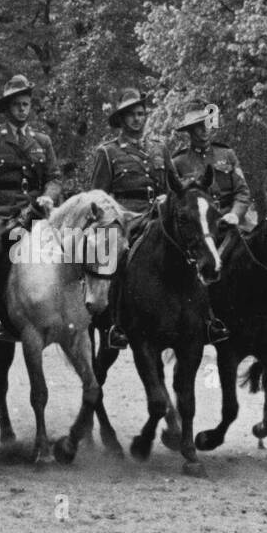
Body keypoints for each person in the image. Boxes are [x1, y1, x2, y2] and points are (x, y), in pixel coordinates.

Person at [0, 74, 62, 338]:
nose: (22, 109)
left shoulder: (42, 141)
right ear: (7, 108)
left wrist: (48, 195)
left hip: (37, 213)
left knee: (71, 249)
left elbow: (54, 177)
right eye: (17, 105)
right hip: (1, 214)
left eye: (26, 104)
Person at [89, 87, 175, 349]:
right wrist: (114, 214)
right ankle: (115, 322)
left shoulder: (160, 148)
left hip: (158, 214)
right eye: (132, 115)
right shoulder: (108, 152)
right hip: (124, 217)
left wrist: (168, 199)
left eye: (141, 114)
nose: (138, 119)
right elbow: (98, 196)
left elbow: (173, 186)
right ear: (122, 119)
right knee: (116, 255)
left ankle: (202, 318)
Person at [171, 99, 252, 344]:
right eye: (197, 128)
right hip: (199, 226)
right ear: (189, 133)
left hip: (227, 222)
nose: (203, 131)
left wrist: (235, 214)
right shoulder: (179, 162)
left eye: (207, 125)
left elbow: (243, 192)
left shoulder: (227, 154)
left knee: (263, 251)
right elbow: (176, 200)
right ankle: (206, 320)